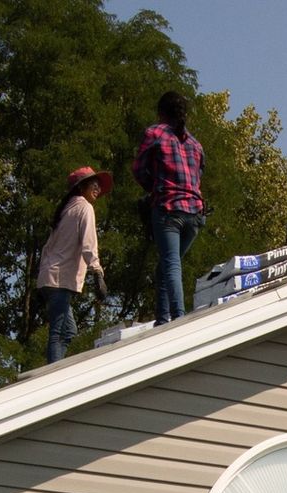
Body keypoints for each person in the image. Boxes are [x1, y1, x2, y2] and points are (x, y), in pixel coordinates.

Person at [131, 90, 205, 324]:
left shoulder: (154, 133)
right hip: (194, 213)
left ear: (160, 112)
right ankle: (163, 320)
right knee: (166, 265)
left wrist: (152, 188)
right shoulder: (195, 144)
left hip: (168, 208)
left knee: (171, 263)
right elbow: (198, 176)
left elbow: (138, 170)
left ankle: (177, 318)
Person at [35, 166, 111, 364]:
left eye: (98, 185)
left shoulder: (66, 209)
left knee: (68, 330)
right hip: (60, 278)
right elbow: (89, 244)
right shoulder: (84, 207)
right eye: (93, 184)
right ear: (81, 187)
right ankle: (53, 376)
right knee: (59, 332)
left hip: (49, 276)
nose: (97, 188)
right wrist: (97, 273)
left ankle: (55, 368)